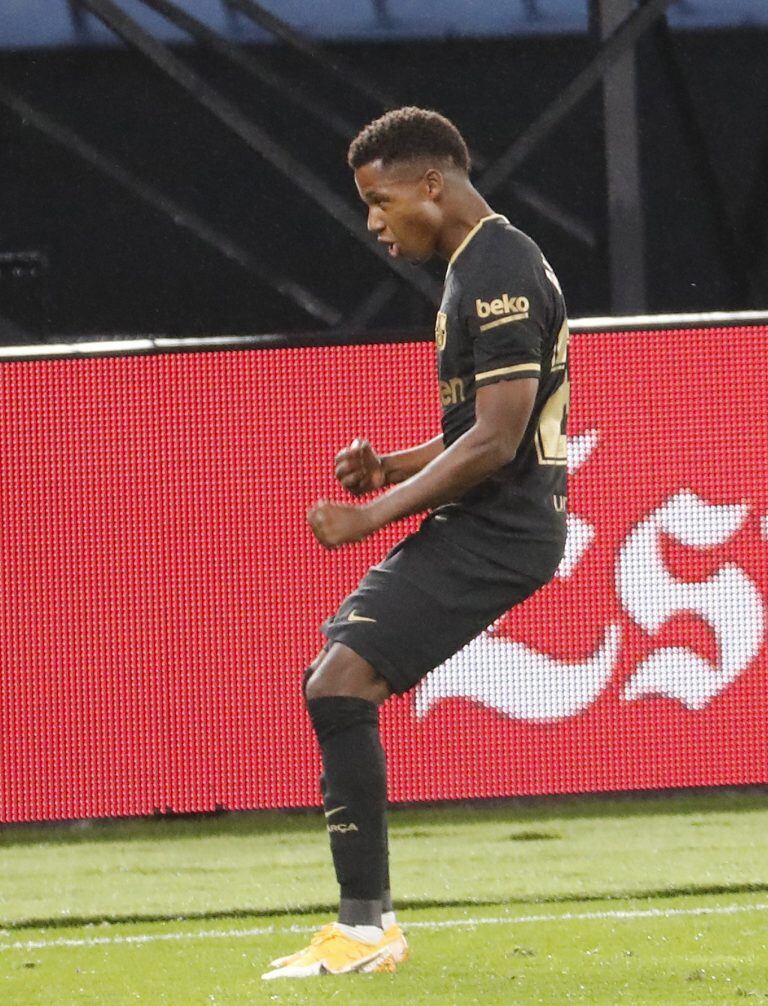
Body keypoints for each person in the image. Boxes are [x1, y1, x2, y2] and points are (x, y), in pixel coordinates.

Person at [262, 106, 569, 980]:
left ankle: (367, 930)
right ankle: (365, 925)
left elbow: (498, 440)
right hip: (493, 523)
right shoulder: (482, 263)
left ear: (429, 184)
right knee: (335, 678)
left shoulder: (497, 268)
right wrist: (391, 464)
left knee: (338, 683)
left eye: (378, 198)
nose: (373, 221)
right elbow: (480, 425)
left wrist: (372, 513)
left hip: (502, 529)